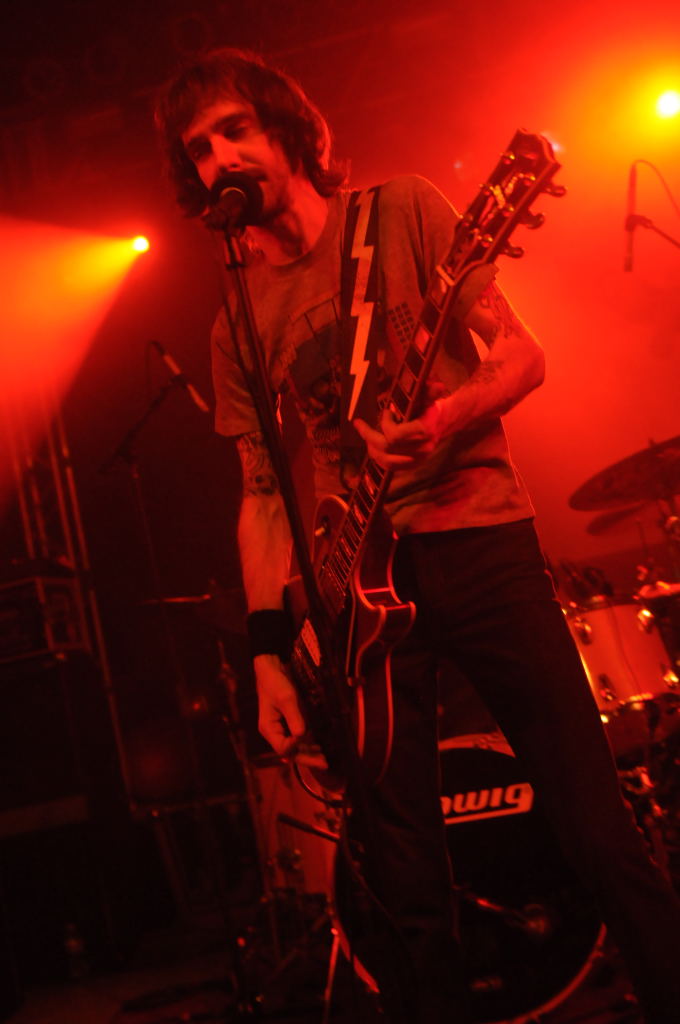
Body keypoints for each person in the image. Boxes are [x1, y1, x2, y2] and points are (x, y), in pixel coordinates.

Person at [156, 49, 680, 1023]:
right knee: (404, 886)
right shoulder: (238, 318)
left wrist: (444, 419)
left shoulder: (399, 212)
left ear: (286, 131)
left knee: (596, 830)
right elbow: (262, 495)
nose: (220, 156)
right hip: (355, 601)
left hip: (480, 545)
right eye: (199, 148)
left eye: (235, 130)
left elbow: (521, 355)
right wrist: (269, 657)